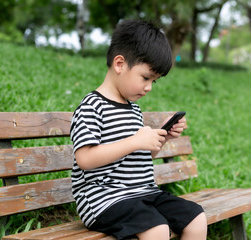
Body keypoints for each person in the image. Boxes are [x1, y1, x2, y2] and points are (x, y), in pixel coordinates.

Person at [70, 19, 207, 240]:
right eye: (145, 78)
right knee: (157, 228)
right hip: (103, 199)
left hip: (143, 194)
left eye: (154, 81)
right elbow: (85, 159)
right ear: (119, 64)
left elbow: (138, 157)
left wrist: (161, 139)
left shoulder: (134, 109)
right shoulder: (91, 107)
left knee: (196, 217)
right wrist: (135, 140)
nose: (148, 87)